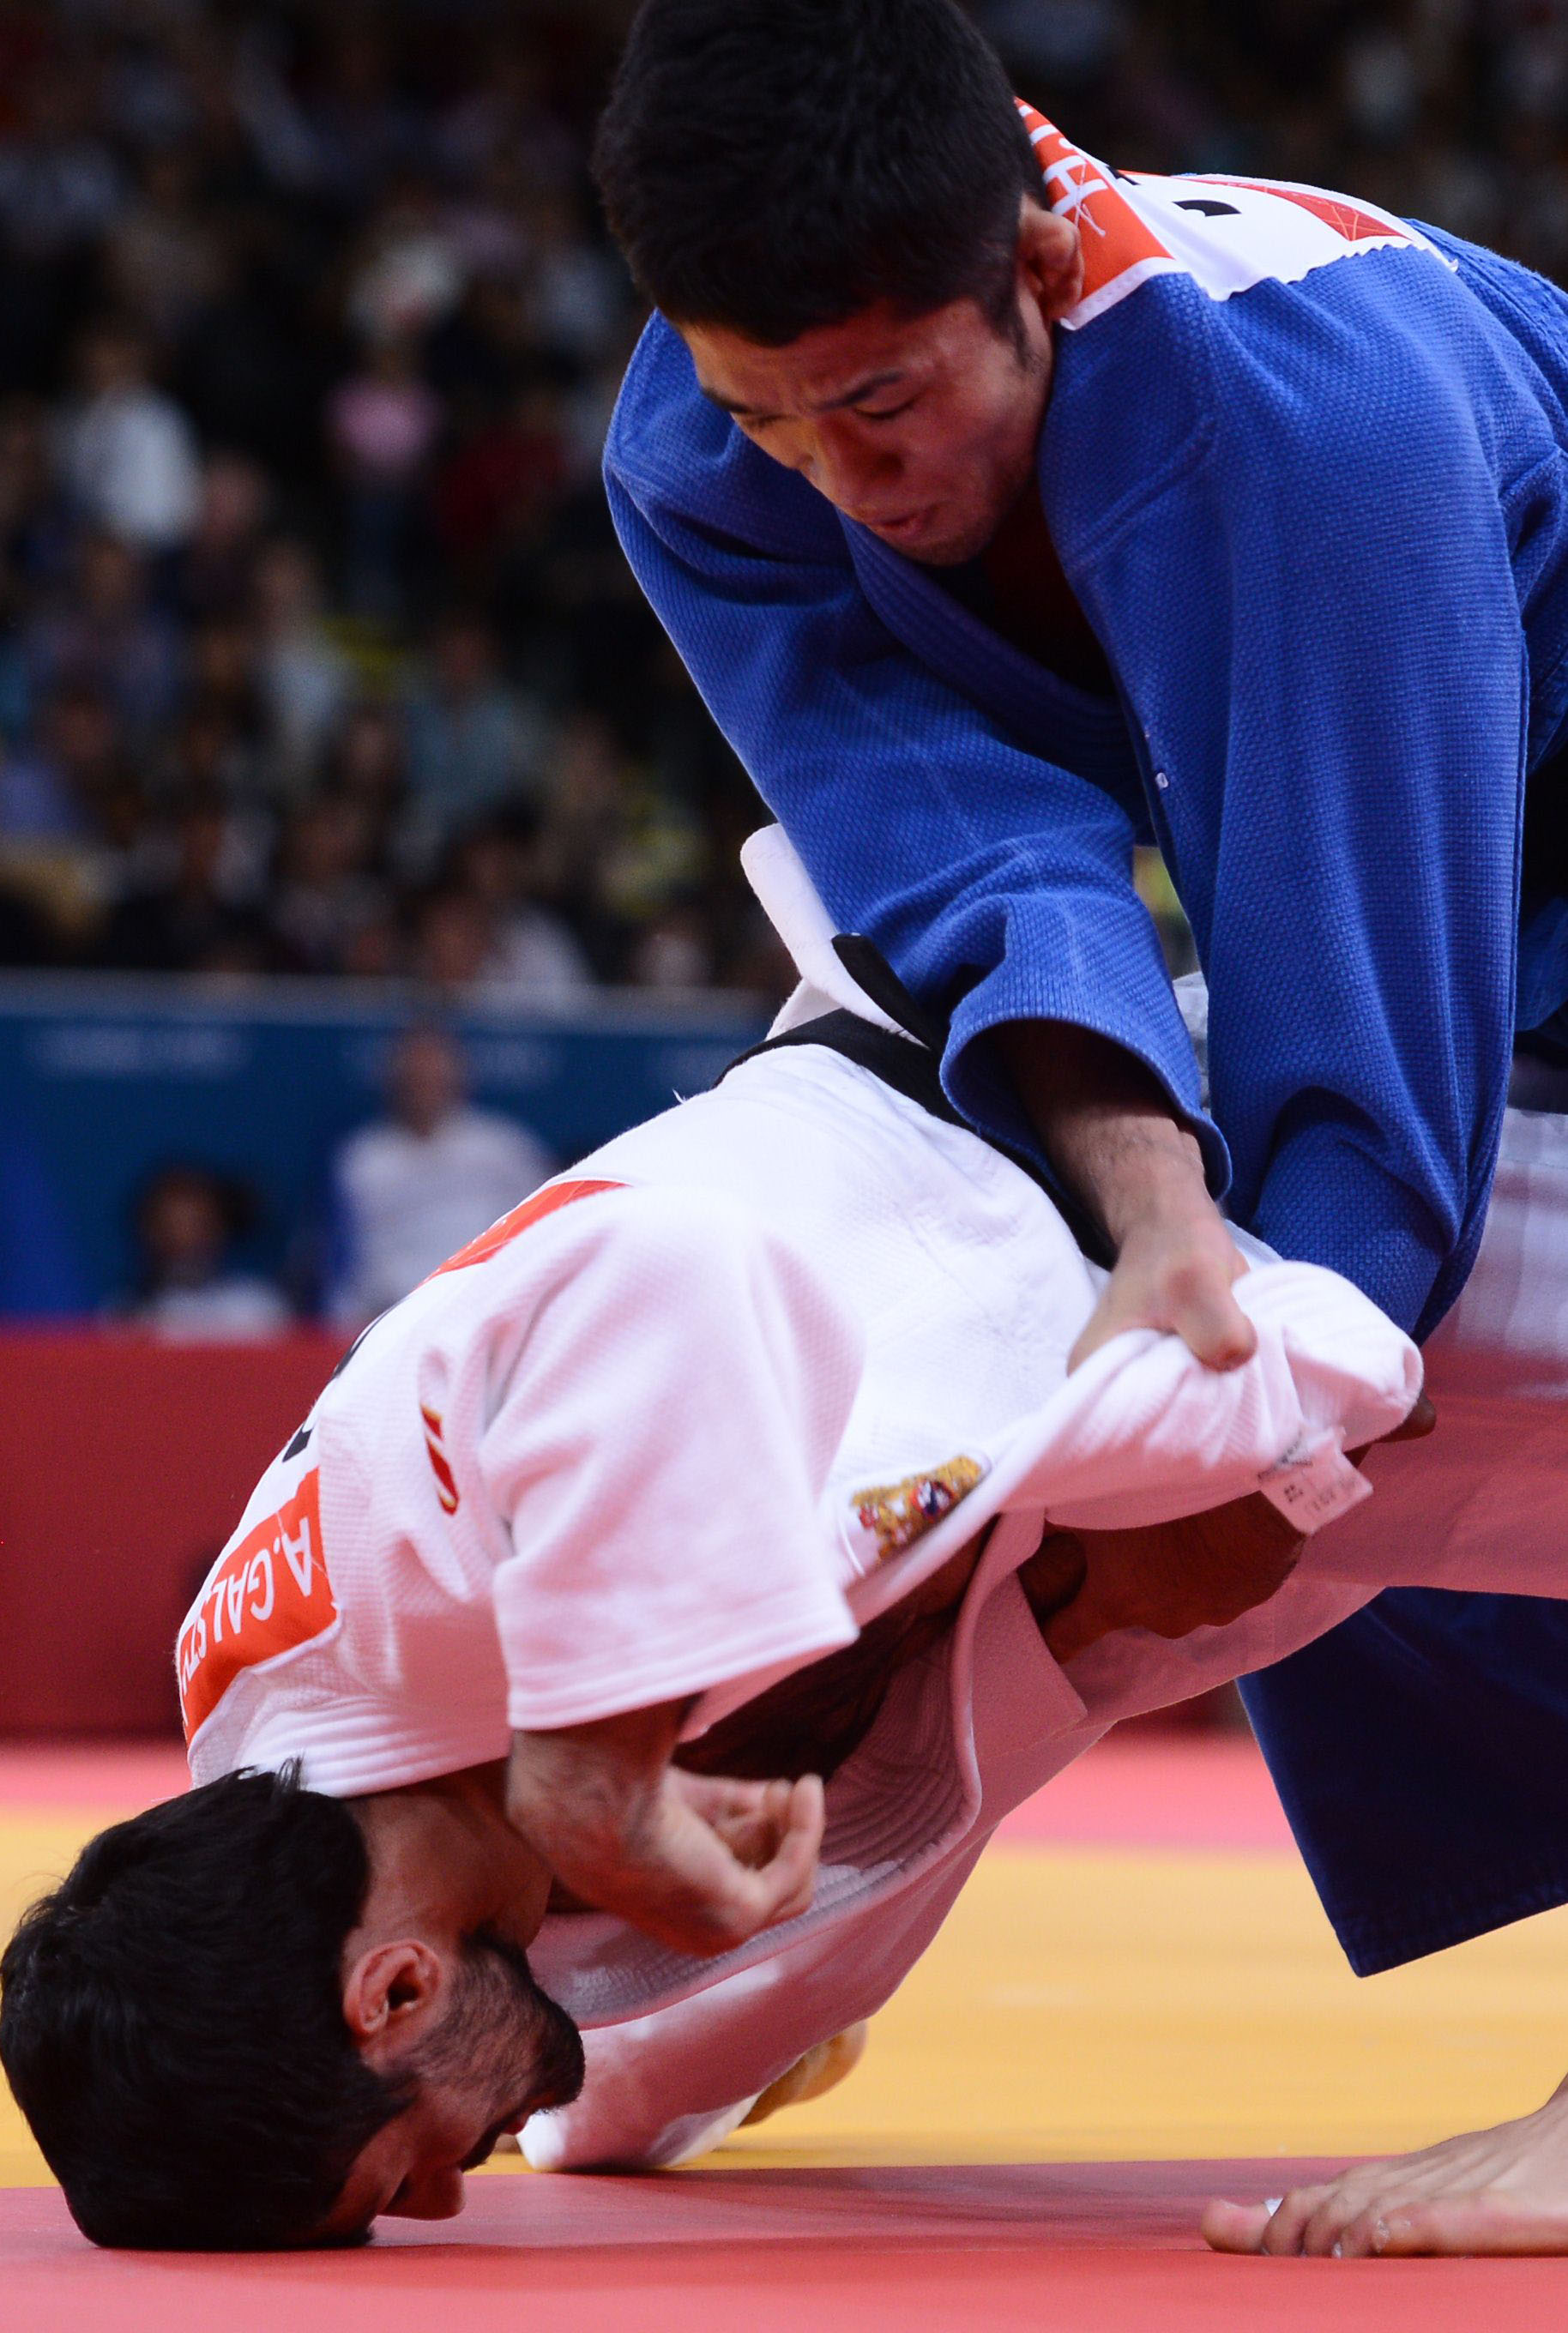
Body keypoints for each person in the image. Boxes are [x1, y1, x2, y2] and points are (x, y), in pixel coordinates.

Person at [19, 824, 1568, 2252]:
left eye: (392, 2180)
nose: (438, 2201)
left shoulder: (372, 1585)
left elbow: (668, 1274)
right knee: (609, 2071)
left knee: (612, 1973)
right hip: (1110, 1479)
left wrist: (593, 1756)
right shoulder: (344, 1823)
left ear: (390, 1990)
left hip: (1118, 1189)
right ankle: (693, 2059)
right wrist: (1090, 1618)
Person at [590, 0, 1568, 2242]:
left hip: (1468, 773)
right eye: (767, 414)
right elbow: (959, 876)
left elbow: (1362, 1101)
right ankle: (758, 1935)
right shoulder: (703, 442)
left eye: (880, 402)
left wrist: (1233, 1435)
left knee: (1301, 1371)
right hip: (1462, 838)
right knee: (1040, 1285)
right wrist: (1140, 1229)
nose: (837, 477)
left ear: (1033, 260)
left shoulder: (1302, 426)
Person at [326, 1022, 555, 1328]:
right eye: (415, 1076)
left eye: (434, 1074)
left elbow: (547, 1230)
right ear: (394, 1080)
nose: (424, 1085)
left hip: (485, 1309)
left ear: (457, 1077)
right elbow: (340, 1260)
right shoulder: (363, 1158)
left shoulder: (503, 1147)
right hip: (391, 1317)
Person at [112, 1161, 292, 1341]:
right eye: (169, 1226)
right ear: (148, 1232)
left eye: (196, 1224)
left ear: (221, 1227)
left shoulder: (256, 1306)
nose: (184, 1238)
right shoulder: (125, 1315)